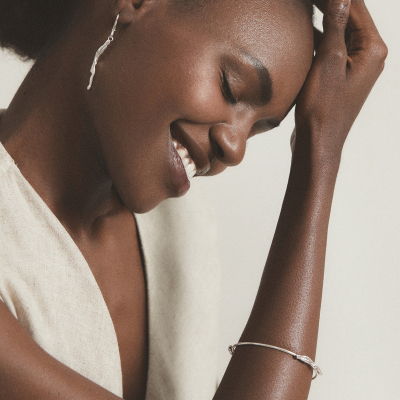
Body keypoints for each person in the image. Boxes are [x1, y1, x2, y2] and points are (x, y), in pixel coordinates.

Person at [0, 0, 387, 399]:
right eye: (230, 87)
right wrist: (319, 156)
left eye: (258, 128)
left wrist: (314, 142)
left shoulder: (183, 228)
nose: (235, 148)